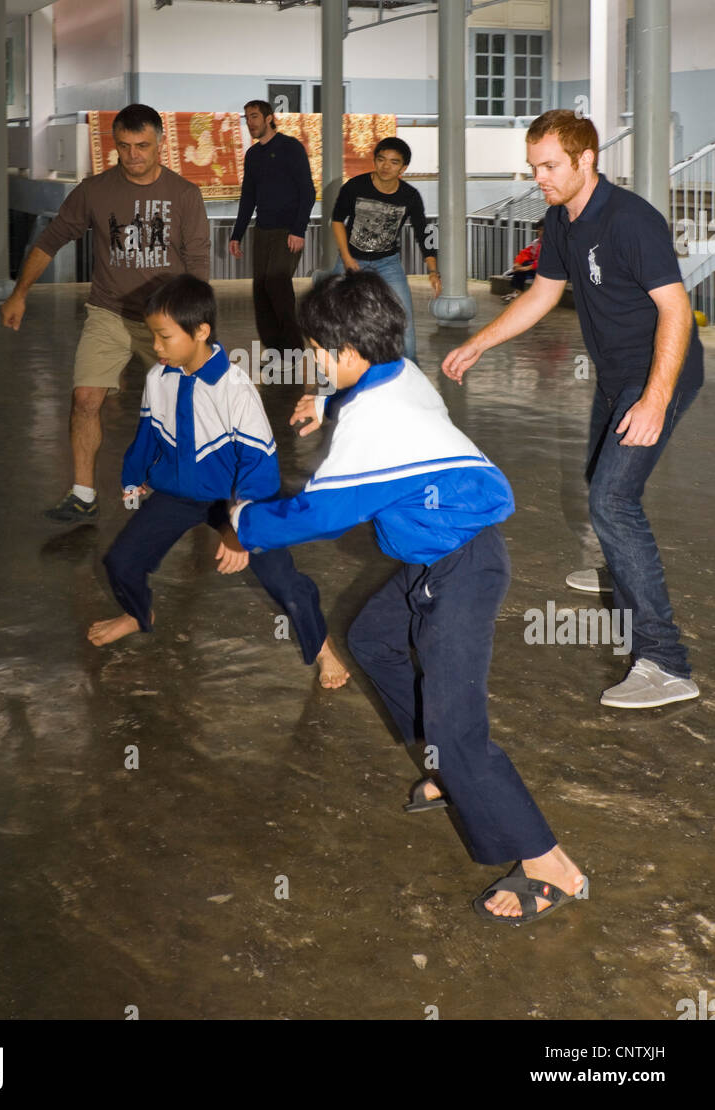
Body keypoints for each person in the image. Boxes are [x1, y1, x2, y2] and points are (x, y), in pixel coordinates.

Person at [229, 270, 587, 924]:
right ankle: (448, 771)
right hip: (433, 556)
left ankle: (549, 863)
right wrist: (320, 399)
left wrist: (242, 523)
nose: (311, 362)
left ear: (347, 351)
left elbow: (318, 514)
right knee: (370, 639)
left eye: (316, 353)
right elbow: (356, 390)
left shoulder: (373, 423)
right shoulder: (394, 370)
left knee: (456, 728)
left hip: (464, 566)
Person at [444, 109, 704, 709]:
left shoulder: (631, 220)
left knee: (611, 499)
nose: (540, 177)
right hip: (615, 378)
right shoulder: (561, 219)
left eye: (550, 166)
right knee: (601, 484)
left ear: (587, 160)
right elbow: (541, 292)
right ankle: (620, 571)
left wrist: (655, 398)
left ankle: (666, 662)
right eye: (534, 166)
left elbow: (674, 311)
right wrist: (479, 341)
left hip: (659, 375)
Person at [88, 274, 349, 690]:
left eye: (164, 337)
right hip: (178, 492)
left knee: (284, 581)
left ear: (200, 332)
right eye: (153, 336)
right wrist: (134, 476)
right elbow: (149, 433)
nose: (155, 347)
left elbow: (259, 465)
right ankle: (138, 614)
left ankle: (322, 646)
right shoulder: (158, 378)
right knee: (121, 562)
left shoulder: (236, 389)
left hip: (238, 497)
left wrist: (239, 531)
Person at [1, 104, 210, 523]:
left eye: (142, 146)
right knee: (84, 398)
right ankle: (82, 493)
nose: (133, 155)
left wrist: (195, 330)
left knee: (189, 406)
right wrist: (19, 293)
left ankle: (191, 487)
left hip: (167, 320)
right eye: (124, 146)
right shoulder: (94, 190)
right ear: (113, 144)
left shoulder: (185, 194)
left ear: (160, 143)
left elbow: (198, 264)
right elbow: (51, 239)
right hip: (109, 312)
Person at [330, 136, 440, 360]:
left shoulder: (410, 196)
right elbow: (337, 220)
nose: (386, 166)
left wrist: (433, 270)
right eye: (381, 159)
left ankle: (410, 373)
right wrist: (347, 258)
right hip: (351, 258)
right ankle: (333, 370)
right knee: (333, 314)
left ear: (404, 167)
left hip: (387, 263)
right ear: (374, 160)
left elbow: (424, 232)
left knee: (403, 319)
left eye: (394, 162)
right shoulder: (355, 186)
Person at [228, 100, 315, 364]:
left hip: (288, 230)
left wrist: (298, 230)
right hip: (262, 230)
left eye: (254, 116)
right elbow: (248, 197)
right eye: (246, 118)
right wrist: (237, 234)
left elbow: (307, 191)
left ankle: (293, 349)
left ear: (268, 118)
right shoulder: (253, 155)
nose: (250, 122)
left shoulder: (290, 147)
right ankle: (275, 349)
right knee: (261, 288)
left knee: (277, 284)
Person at [502, 219, 544, 303]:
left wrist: (527, 268)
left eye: (544, 230)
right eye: (539, 230)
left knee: (525, 268)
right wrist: (518, 264)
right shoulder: (536, 243)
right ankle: (517, 292)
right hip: (536, 268)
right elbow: (525, 253)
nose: (541, 232)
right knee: (520, 268)